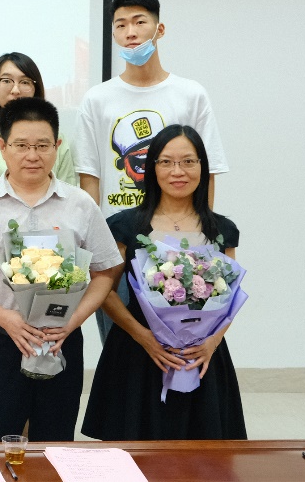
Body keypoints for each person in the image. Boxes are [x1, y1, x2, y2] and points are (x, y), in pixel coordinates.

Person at [0, 97, 121, 443]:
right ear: (2, 147)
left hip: (61, 340)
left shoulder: (80, 204)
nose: (32, 155)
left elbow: (105, 272)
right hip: (0, 339)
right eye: (21, 145)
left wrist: (73, 321)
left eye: (42, 145)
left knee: (55, 442)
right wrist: (4, 318)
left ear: (57, 146)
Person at [76, 0, 229, 339]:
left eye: (139, 22)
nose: (130, 32)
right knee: (119, 347)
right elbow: (90, 178)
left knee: (182, 342)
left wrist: (201, 242)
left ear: (159, 29)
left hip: (178, 242)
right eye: (121, 25)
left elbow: (207, 173)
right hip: (116, 245)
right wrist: (93, 250)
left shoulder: (190, 94)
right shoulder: (97, 99)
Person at [82, 124, 245, 440]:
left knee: (204, 454)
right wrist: (143, 336)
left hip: (201, 357)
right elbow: (105, 291)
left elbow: (229, 296)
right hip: (138, 354)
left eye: (188, 161)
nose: (177, 171)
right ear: (152, 167)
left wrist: (212, 342)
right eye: (166, 162)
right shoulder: (125, 225)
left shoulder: (222, 230)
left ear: (202, 167)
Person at [0, 52, 77, 418]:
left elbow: (68, 201)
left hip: (55, 279)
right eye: (6, 80)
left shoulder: (60, 142)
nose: (15, 88)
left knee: (50, 411)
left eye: (24, 81)